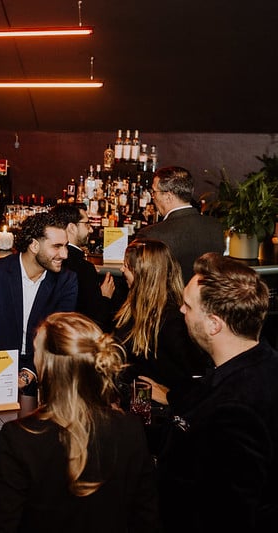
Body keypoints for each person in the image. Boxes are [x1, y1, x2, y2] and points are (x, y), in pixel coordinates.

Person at [0, 313, 159, 532]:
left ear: (48, 367)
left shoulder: (19, 438)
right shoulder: (130, 429)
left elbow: (2, 525)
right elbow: (146, 520)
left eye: (36, 351)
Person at [145, 253, 278, 531]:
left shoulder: (236, 411)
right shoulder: (259, 363)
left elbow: (227, 514)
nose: (181, 310)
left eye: (188, 305)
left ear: (214, 324)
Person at [0, 212, 77, 392]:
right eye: (57, 246)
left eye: (65, 246)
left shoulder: (66, 280)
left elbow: (59, 336)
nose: (64, 254)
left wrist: (29, 373)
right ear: (34, 245)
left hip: (42, 375)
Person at [114, 239, 207, 392]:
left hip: (152, 403)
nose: (121, 269)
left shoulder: (172, 320)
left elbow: (194, 376)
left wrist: (169, 397)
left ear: (143, 274)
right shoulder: (134, 306)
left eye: (127, 266)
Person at [136, 166, 225, 284]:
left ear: (168, 196)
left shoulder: (151, 235)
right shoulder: (215, 226)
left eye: (154, 192)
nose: (153, 197)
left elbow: (144, 283)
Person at [51, 203, 116, 331]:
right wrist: (105, 298)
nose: (91, 230)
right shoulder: (84, 269)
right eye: (87, 224)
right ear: (71, 228)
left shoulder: (48, 260)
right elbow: (94, 323)